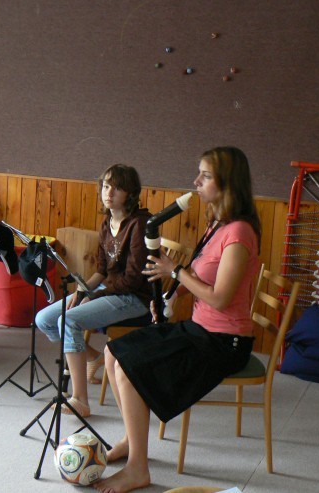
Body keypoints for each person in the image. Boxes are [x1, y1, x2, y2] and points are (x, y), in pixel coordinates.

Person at [94, 146, 261, 493]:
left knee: (128, 368)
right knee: (112, 353)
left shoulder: (240, 233)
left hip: (224, 343)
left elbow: (220, 297)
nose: (196, 181)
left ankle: (138, 469)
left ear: (228, 183)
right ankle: (131, 440)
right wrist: (172, 296)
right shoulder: (218, 225)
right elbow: (203, 274)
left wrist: (176, 271)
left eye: (206, 176)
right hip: (201, 329)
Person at [35, 164, 152, 418]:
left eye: (117, 188)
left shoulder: (140, 224)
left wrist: (93, 295)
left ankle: (80, 400)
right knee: (44, 319)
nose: (109, 193)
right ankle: (93, 357)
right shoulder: (107, 222)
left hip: (134, 298)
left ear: (130, 193)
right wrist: (82, 290)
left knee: (69, 321)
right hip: (108, 289)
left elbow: (132, 280)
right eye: (106, 186)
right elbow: (101, 269)